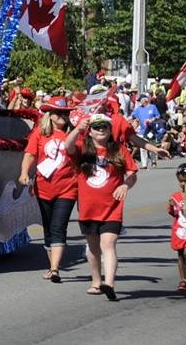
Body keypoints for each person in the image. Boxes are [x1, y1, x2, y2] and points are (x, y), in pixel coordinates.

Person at [64, 113, 137, 300]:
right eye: (97, 127)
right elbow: (67, 146)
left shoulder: (119, 149)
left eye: (105, 126)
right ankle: (96, 282)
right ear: (90, 131)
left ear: (110, 130)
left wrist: (125, 184)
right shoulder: (83, 149)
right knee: (93, 247)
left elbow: (132, 173)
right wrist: (77, 129)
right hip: (88, 208)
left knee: (108, 245)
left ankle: (109, 283)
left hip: (112, 208)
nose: (101, 130)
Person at [19, 96, 78, 284]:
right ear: (50, 115)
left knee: (58, 227)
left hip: (67, 188)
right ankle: (51, 265)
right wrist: (24, 173)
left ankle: (55, 269)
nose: (63, 116)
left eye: (66, 113)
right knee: (48, 227)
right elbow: (30, 154)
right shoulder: (39, 133)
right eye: (59, 113)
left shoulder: (74, 134)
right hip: (43, 188)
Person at [168, 163, 186, 292]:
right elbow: (172, 212)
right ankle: (183, 279)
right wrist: (173, 205)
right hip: (179, 230)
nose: (183, 184)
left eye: (185, 180)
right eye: (180, 181)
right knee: (180, 255)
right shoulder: (175, 196)